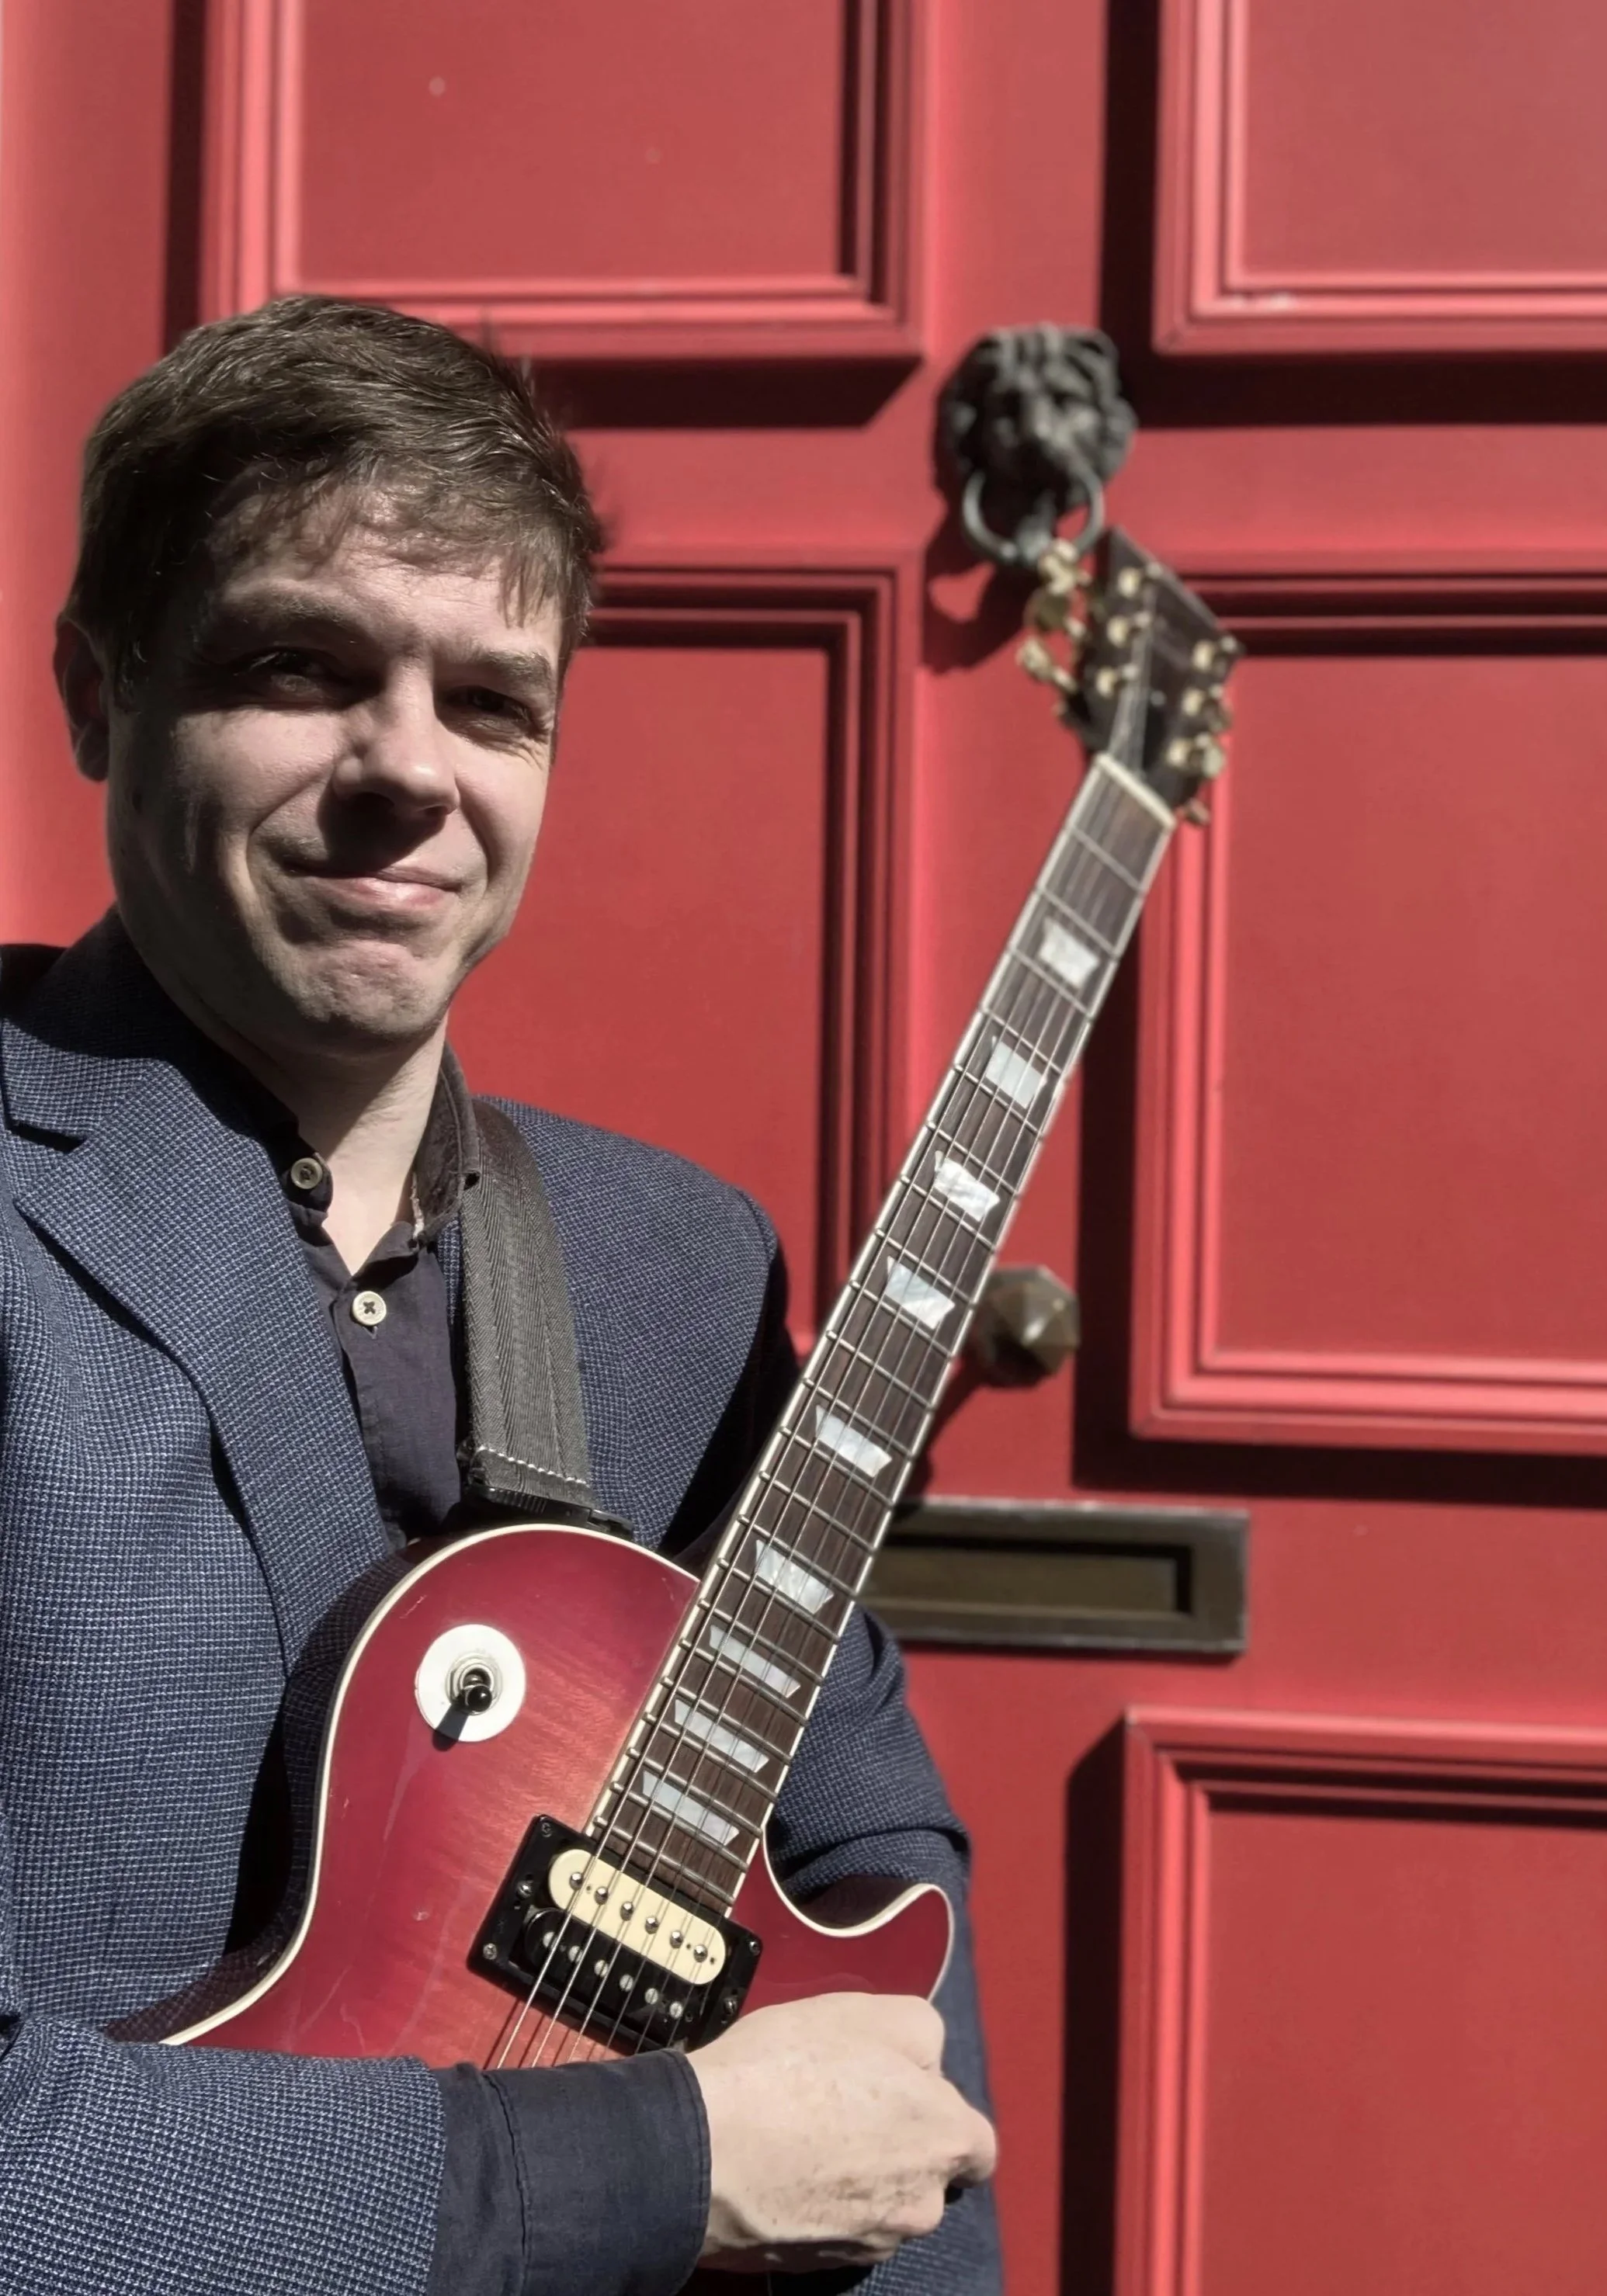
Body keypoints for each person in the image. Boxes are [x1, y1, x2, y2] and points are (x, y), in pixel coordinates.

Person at [0, 294, 999, 2295]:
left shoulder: (680, 1265)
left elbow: (871, 1893)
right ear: (99, 692)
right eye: (303, 668)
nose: (409, 772)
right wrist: (648, 2163)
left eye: (493, 702)